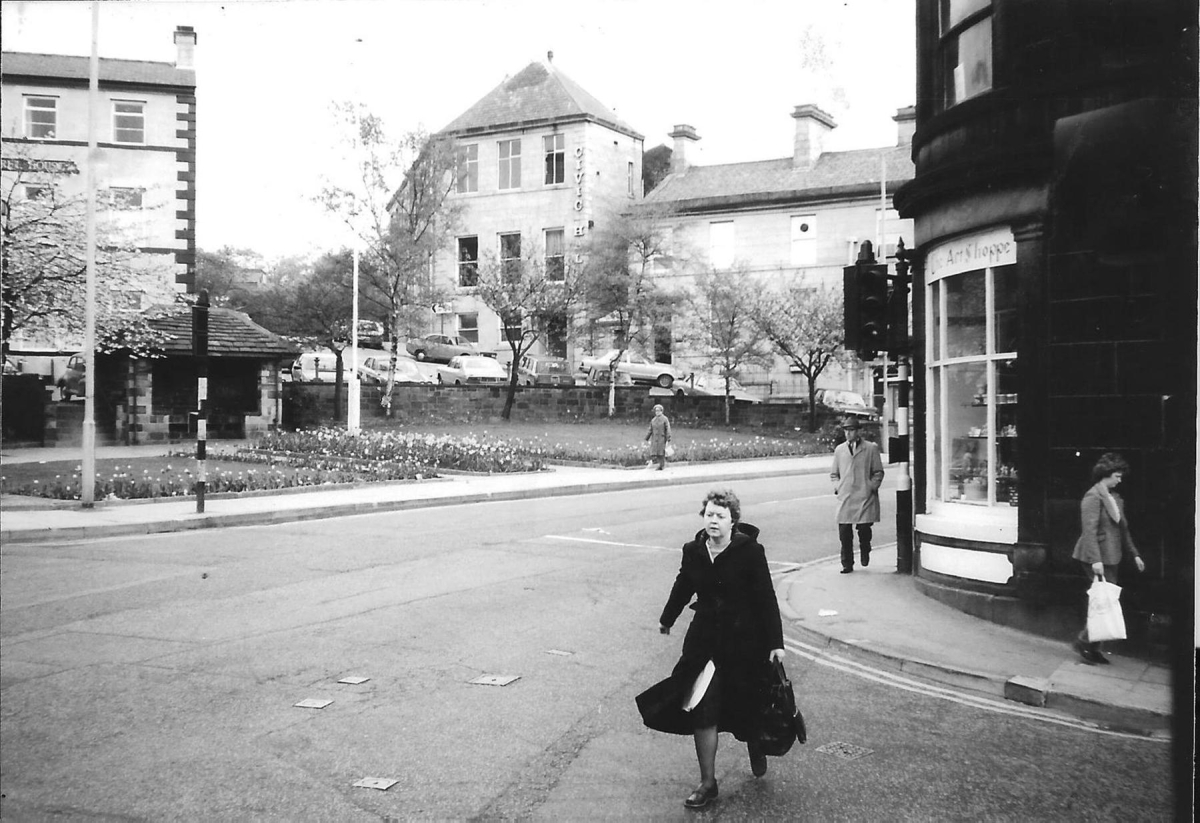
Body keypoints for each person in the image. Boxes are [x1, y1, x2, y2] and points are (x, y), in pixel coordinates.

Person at [635, 489, 785, 810]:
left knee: (746, 703)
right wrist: (667, 618)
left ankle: (754, 743)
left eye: (720, 515)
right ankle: (708, 782)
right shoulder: (693, 550)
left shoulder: (750, 552)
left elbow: (766, 598)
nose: (714, 520)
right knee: (703, 708)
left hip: (744, 642)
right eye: (709, 514)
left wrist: (776, 643)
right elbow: (682, 586)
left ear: (733, 521)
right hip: (704, 643)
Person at [1071, 452, 1144, 664]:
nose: (1120, 480)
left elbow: (1124, 530)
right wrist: (1096, 561)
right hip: (1095, 556)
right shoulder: (1093, 497)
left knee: (1106, 602)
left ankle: (1092, 647)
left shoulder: (1114, 498)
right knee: (1104, 602)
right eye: (1117, 476)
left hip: (1113, 556)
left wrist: (1135, 554)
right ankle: (1084, 642)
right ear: (1106, 475)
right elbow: (1089, 530)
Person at [830, 417, 885, 573]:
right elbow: (834, 474)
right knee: (844, 532)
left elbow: (878, 472)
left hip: (864, 495)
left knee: (864, 528)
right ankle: (847, 563)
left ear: (858, 431)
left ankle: (865, 549)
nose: (848, 433)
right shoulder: (840, 450)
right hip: (845, 496)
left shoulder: (870, 448)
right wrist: (837, 487)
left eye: (852, 430)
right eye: (846, 430)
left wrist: (871, 486)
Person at [645, 404, 672, 470]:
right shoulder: (653, 420)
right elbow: (650, 429)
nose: (657, 412)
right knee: (654, 451)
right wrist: (647, 437)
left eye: (658, 411)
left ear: (661, 411)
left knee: (661, 452)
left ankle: (661, 465)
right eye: (656, 411)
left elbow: (668, 428)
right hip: (655, 439)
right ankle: (656, 463)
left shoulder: (665, 419)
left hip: (662, 438)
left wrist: (668, 437)